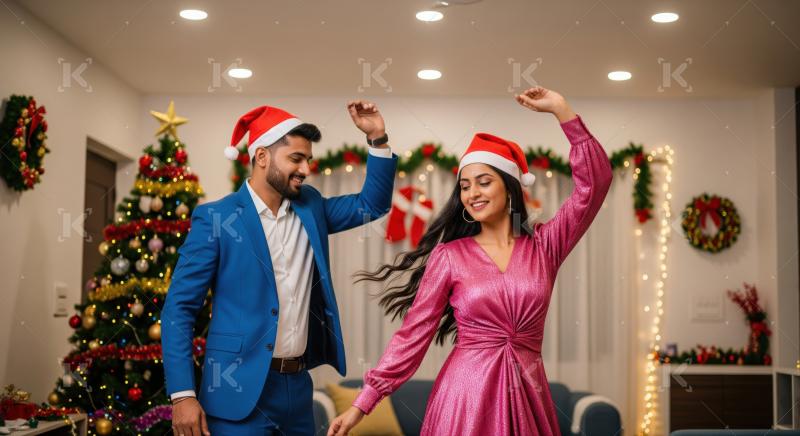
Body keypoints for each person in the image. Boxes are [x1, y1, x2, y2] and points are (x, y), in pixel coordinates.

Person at [328, 86, 613, 436]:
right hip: (465, 398)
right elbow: (413, 335)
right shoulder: (449, 256)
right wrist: (363, 402)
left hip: (527, 393)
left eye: (484, 182)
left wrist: (563, 111)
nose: (473, 192)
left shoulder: (545, 246)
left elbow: (594, 187)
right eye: (465, 186)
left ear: (509, 188)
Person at [162, 101, 398, 435]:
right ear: (261, 156)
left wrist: (377, 138)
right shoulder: (215, 218)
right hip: (235, 394)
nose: (305, 169)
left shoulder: (311, 207)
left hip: (297, 391)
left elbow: (371, 204)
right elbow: (179, 309)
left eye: (308, 160)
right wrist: (182, 395)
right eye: (296, 159)